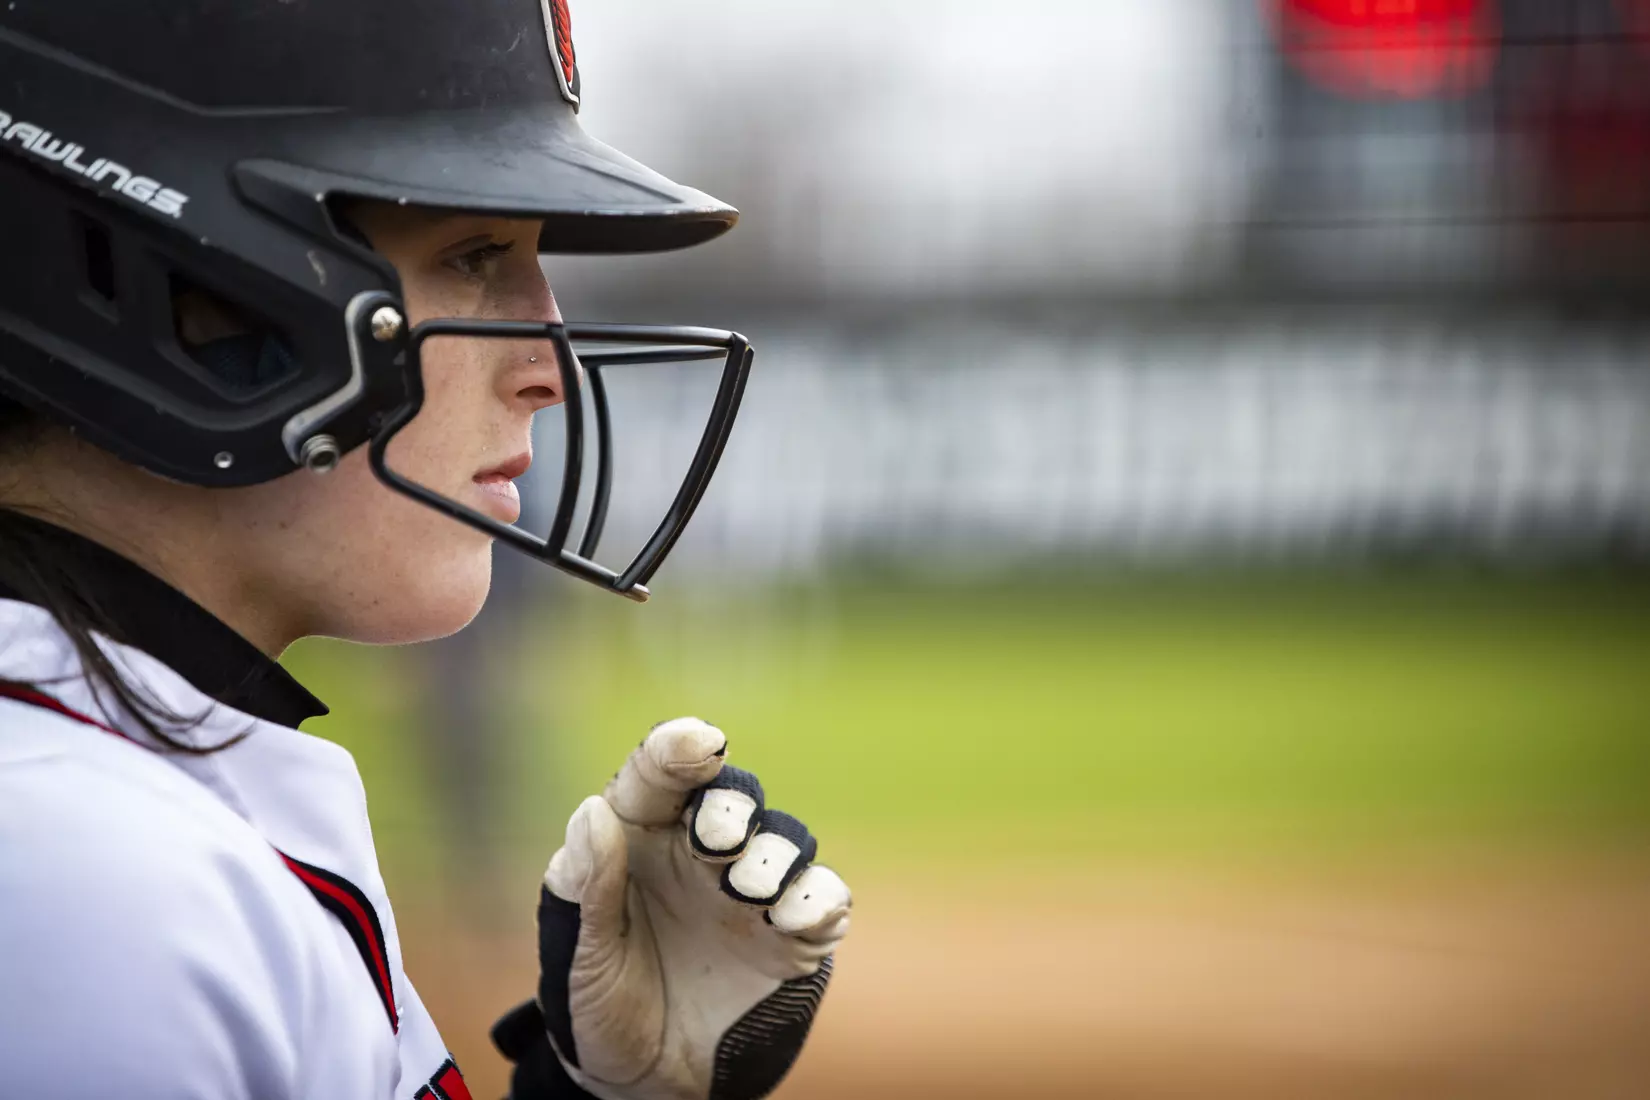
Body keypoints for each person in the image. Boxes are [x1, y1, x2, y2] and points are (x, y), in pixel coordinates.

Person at [0, 3, 851, 1099]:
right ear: (177, 287)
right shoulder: (89, 884)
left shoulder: (122, 804)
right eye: (473, 255)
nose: (550, 362)